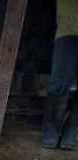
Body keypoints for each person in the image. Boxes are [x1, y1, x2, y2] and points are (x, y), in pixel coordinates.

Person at [41, 0, 78, 150]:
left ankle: (72, 132)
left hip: (67, 32)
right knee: (58, 84)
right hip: (67, 32)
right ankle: (51, 131)